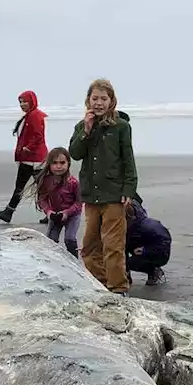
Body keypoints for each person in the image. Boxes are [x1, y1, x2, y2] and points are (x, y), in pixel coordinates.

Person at [69, 78, 137, 296]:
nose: (98, 103)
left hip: (114, 195)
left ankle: (118, 287)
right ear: (88, 100)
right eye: (95, 98)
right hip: (91, 194)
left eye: (103, 99)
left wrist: (129, 189)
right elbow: (75, 153)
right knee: (89, 244)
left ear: (111, 101)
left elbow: (128, 159)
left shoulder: (121, 127)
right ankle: (98, 283)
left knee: (113, 244)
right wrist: (86, 130)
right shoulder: (82, 126)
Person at [0, 90, 48, 223]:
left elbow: (38, 136)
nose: (22, 104)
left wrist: (28, 148)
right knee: (39, 188)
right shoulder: (30, 115)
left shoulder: (35, 115)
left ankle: (9, 212)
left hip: (33, 159)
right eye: (20, 102)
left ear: (32, 101)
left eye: (25, 101)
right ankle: (51, 213)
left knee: (24, 187)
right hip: (31, 158)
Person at [34, 147, 82, 257]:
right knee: (51, 240)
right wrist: (49, 212)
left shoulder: (73, 183)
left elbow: (79, 203)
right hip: (55, 215)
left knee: (69, 239)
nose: (59, 166)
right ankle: (53, 261)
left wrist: (67, 213)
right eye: (54, 163)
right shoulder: (46, 181)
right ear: (49, 164)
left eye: (62, 162)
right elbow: (42, 199)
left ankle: (74, 263)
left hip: (72, 215)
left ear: (68, 164)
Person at [124, 200, 170, 286]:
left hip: (157, 253)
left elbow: (165, 242)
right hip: (134, 247)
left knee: (128, 263)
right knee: (121, 259)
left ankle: (153, 271)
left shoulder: (149, 226)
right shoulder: (123, 227)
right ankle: (125, 277)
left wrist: (146, 250)